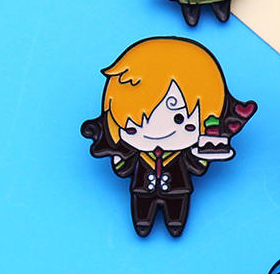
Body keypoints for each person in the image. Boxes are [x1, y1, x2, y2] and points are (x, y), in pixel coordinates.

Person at [80, 37, 255, 237]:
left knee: (175, 216)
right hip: (141, 191)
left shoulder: (183, 154)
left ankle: (174, 222)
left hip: (178, 191)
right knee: (142, 216)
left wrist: (206, 154)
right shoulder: (136, 155)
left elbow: (197, 167)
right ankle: (144, 222)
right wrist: (115, 153)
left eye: (179, 119)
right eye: (134, 126)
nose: (158, 132)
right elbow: (122, 169)